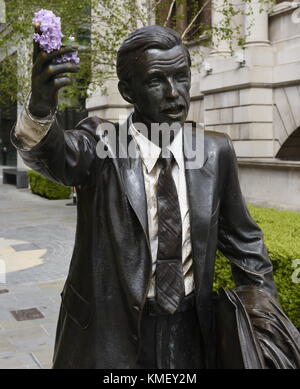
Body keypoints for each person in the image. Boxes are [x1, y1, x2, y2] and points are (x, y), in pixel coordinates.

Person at [11, 25, 278, 369]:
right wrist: (40, 110)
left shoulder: (215, 151)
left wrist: (264, 317)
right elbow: (54, 156)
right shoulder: (101, 143)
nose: (174, 93)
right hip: (110, 333)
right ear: (128, 90)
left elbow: (245, 242)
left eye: (182, 77)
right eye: (156, 81)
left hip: (190, 330)